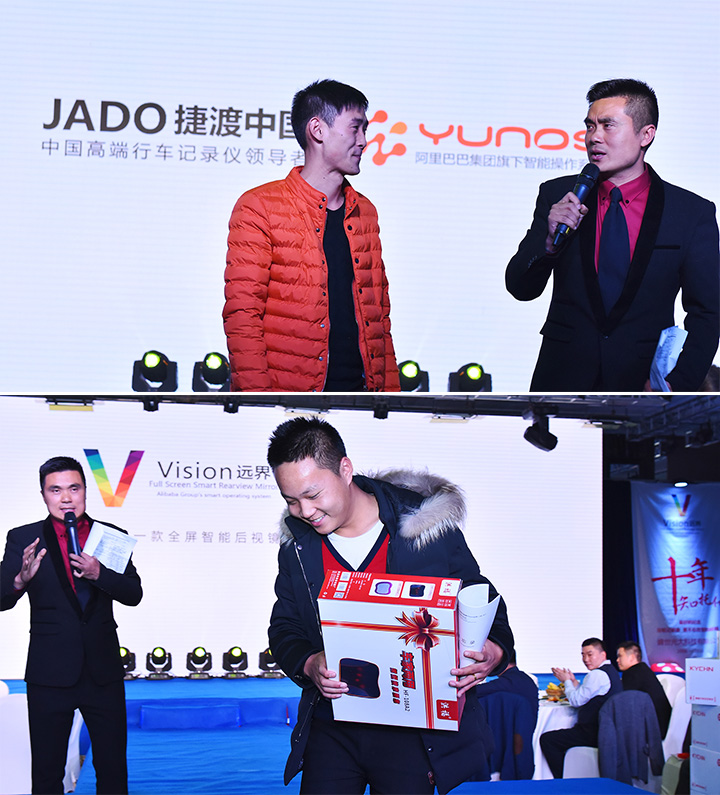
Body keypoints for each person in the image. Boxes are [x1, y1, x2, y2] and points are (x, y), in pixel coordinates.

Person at [266, 417, 515, 794]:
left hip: (412, 729)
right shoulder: (298, 545)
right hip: (332, 724)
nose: (305, 510)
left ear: (345, 469)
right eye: (291, 501)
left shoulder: (426, 527)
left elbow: (479, 596)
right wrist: (309, 662)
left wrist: (494, 650)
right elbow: (284, 627)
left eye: (313, 495)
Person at [506, 78, 719, 391]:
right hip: (562, 381)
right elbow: (520, 288)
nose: (594, 137)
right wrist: (548, 244)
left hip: (644, 386)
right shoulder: (558, 194)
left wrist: (676, 384)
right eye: (590, 126)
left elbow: (708, 312)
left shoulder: (690, 213)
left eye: (608, 125)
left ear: (646, 134)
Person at [223, 79, 400, 393]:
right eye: (355, 128)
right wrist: (258, 401)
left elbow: (379, 321)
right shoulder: (260, 206)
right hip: (288, 400)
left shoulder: (365, 212)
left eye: (365, 130)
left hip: (361, 398)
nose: (363, 141)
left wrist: (390, 400)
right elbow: (243, 315)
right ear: (317, 130)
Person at [0, 457, 142, 794]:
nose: (66, 498)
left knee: (112, 770)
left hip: (103, 672)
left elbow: (133, 594)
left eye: (74, 488)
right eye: (56, 490)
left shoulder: (111, 536)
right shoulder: (24, 538)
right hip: (49, 673)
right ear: (43, 495)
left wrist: (99, 574)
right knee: (47, 772)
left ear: (85, 492)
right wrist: (20, 580)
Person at [540, 637, 621, 779]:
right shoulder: (610, 672)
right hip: (607, 731)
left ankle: (562, 779)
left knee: (548, 740)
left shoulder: (597, 674)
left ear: (603, 654)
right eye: (583, 655)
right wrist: (573, 681)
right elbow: (586, 694)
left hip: (593, 732)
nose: (585, 659)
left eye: (590, 654)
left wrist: (566, 681)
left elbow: (576, 701)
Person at [616, 641, 671, 738]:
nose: (617, 660)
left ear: (632, 657)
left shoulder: (631, 674)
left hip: (651, 731)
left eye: (620, 656)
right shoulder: (644, 670)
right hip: (663, 727)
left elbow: (625, 703)